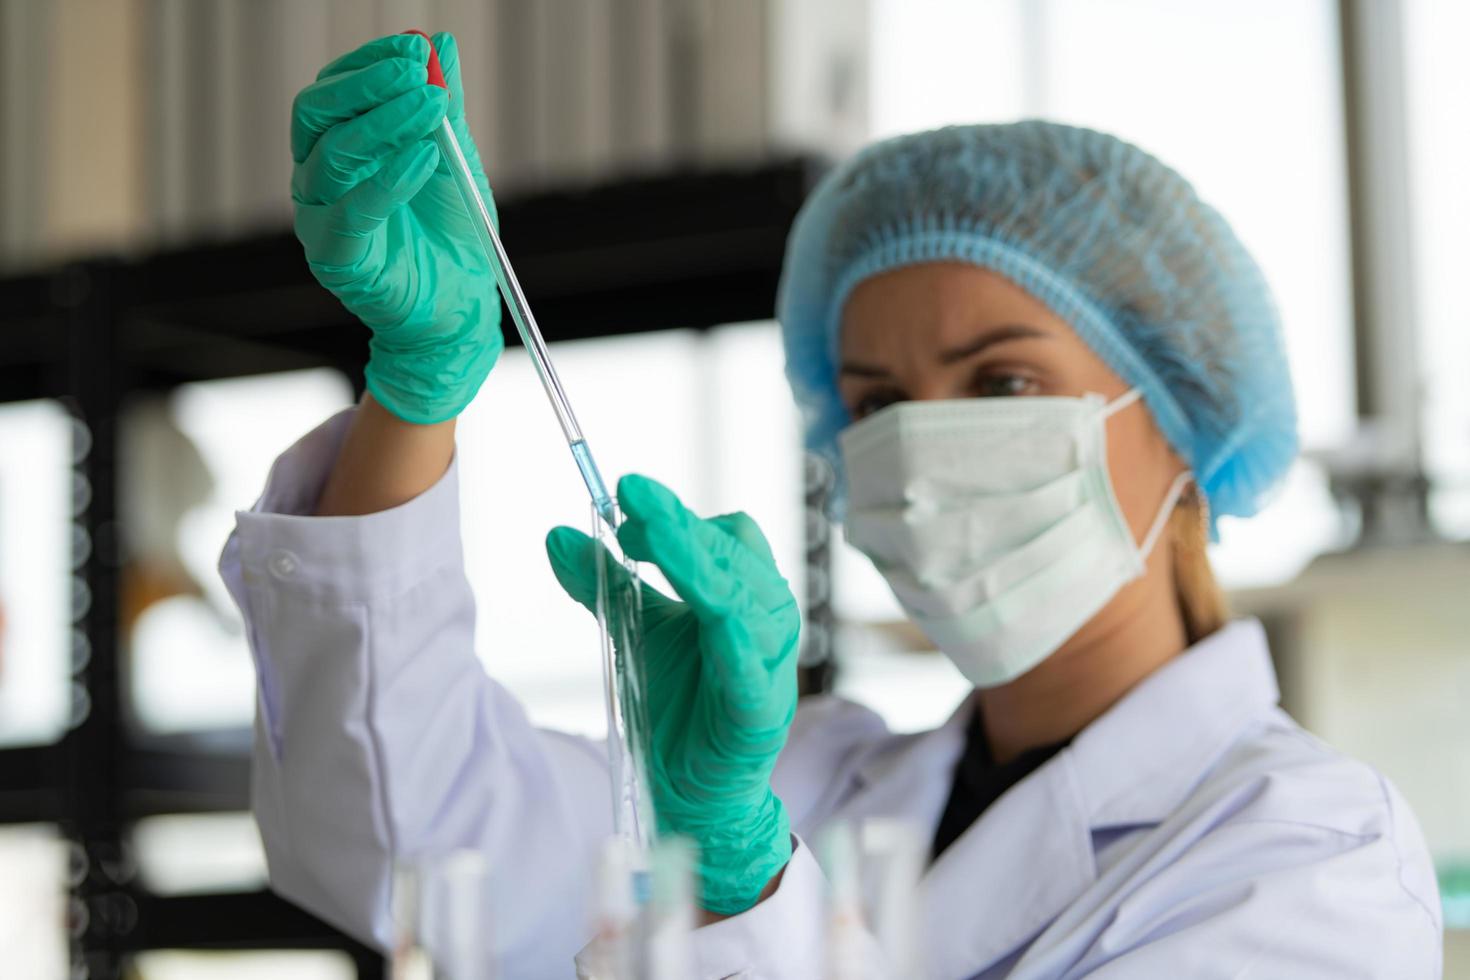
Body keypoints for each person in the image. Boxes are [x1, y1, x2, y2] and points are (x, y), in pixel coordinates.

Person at [219, 31, 1443, 979]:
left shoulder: (1310, 854)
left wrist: (741, 879)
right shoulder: (813, 772)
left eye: (1002, 380)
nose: (918, 443)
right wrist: (419, 386)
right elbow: (406, 841)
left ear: (1184, 409)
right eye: (873, 399)